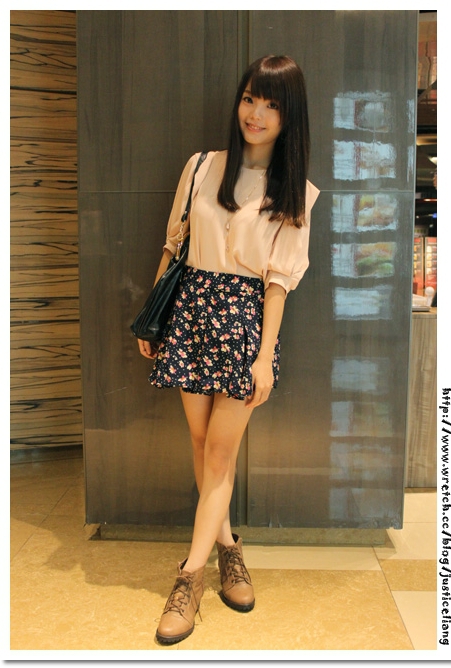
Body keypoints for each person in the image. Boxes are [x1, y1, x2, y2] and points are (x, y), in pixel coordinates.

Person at [137, 54, 320, 645]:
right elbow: (174, 243)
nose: (256, 113)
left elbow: (279, 282)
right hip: (190, 311)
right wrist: (153, 318)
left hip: (243, 324)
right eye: (249, 98)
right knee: (200, 443)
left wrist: (265, 356)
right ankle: (228, 549)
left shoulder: (295, 192)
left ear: (289, 117)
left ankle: (188, 579)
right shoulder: (201, 167)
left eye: (271, 104)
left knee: (219, 452)